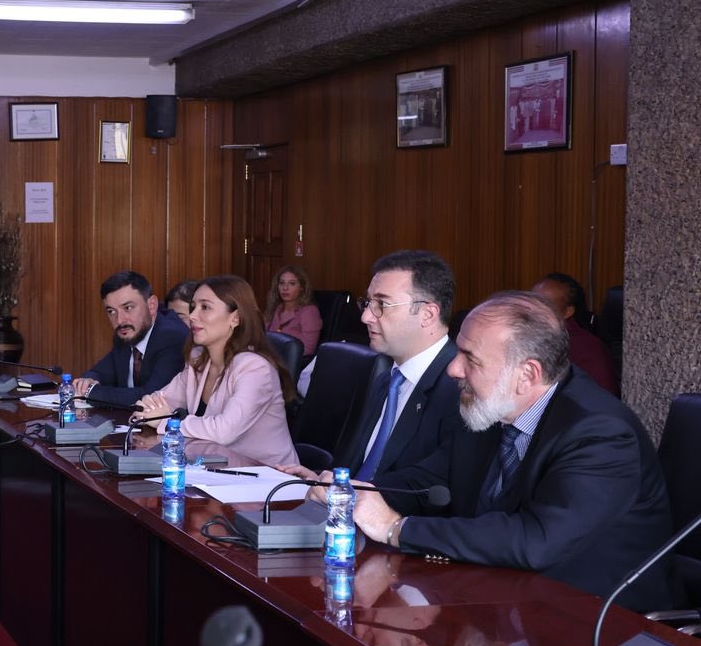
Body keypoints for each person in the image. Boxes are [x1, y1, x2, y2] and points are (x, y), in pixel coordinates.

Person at [353, 292, 673, 609]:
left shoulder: (601, 434)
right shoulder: (493, 404)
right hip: (499, 598)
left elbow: (537, 539)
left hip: (595, 618)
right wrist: (355, 495)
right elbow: (429, 482)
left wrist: (396, 528)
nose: (453, 369)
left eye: (470, 358)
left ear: (527, 375)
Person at [136, 275, 298, 466]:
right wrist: (147, 410)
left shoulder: (255, 368)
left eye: (205, 307)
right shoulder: (198, 360)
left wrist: (167, 422)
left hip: (268, 476)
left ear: (235, 318)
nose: (193, 316)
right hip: (217, 470)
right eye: (193, 307)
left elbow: (224, 432)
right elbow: (155, 404)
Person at [331, 250, 462, 481]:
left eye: (382, 304)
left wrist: (363, 496)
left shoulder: (459, 388)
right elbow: (359, 464)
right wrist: (324, 482)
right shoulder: (386, 380)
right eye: (368, 303)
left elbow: (438, 487)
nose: (365, 317)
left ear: (428, 314)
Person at [72, 271, 189, 408]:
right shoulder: (127, 333)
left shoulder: (172, 337)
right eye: (111, 311)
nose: (120, 320)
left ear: (151, 306)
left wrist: (90, 393)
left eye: (128, 308)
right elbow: (101, 372)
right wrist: (88, 380)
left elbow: (150, 397)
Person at [532, 272, 617, 394]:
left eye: (545, 305)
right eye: (533, 301)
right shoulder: (524, 335)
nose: (534, 309)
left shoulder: (587, 348)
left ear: (568, 312)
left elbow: (600, 397)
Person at [265, 264, 322, 355]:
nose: (285, 288)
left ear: (302, 287)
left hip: (291, 361)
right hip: (269, 357)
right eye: (282, 283)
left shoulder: (309, 311)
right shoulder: (275, 308)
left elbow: (308, 349)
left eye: (292, 283)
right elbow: (261, 338)